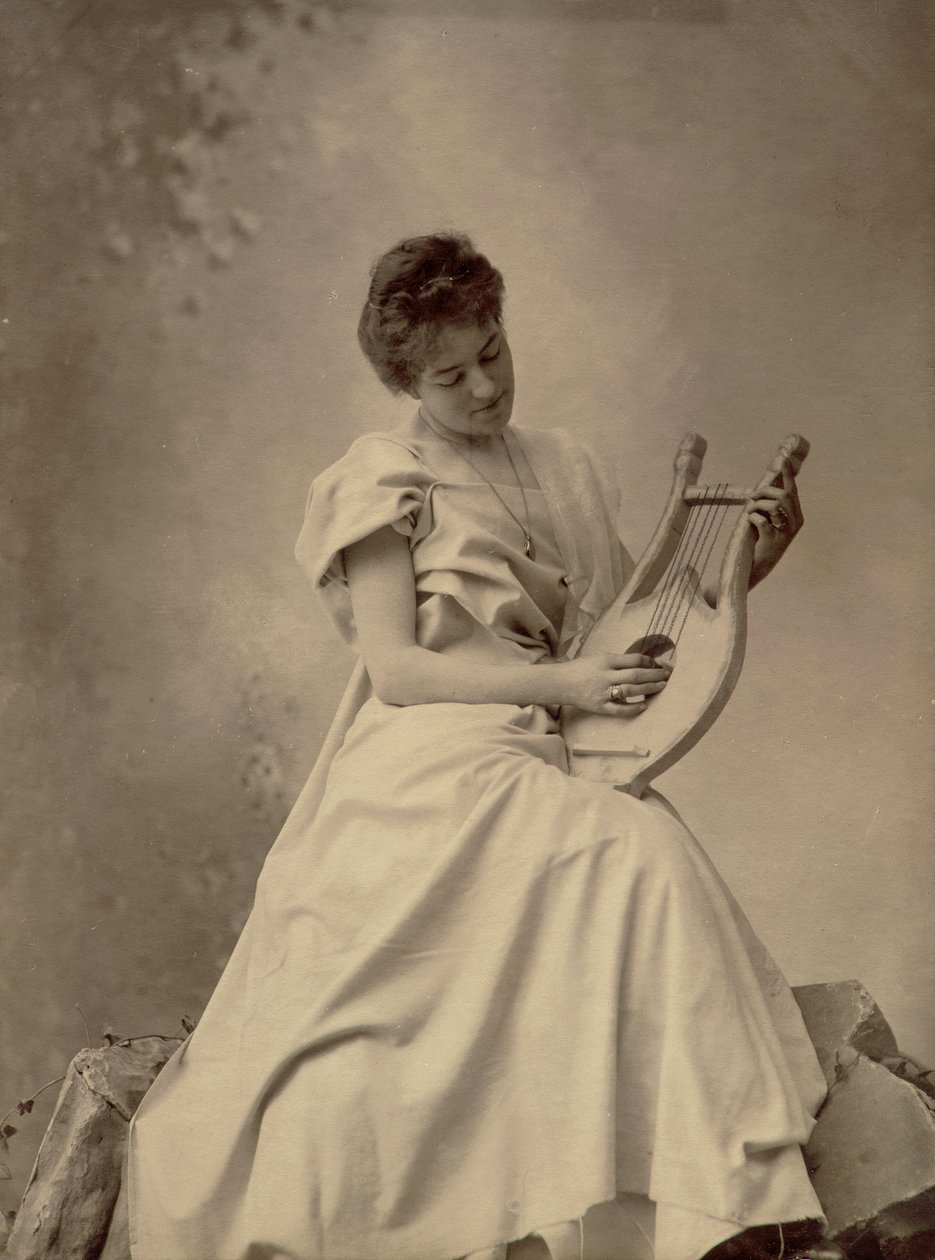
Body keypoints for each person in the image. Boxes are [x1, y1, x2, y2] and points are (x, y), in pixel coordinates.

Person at [128, 233, 843, 1260]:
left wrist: (747, 567)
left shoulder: (565, 466)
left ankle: (692, 1204)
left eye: (493, 352)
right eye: (450, 376)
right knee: (633, 853)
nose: (483, 387)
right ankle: (655, 1207)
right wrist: (563, 686)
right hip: (428, 758)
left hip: (552, 746)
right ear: (405, 384)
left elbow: (622, 643)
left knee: (646, 863)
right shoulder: (384, 476)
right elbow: (395, 670)